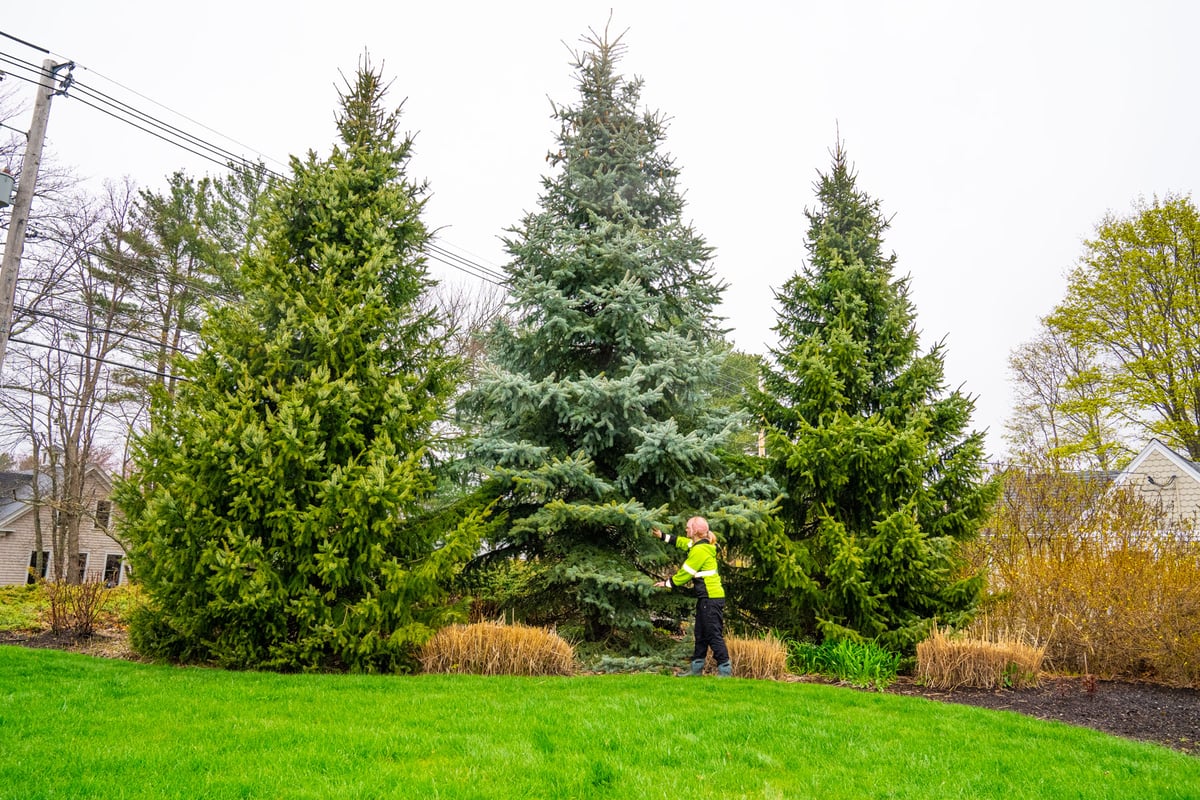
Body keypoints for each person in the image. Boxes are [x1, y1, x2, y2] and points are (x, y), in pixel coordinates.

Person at [652, 516, 732, 677]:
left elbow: (686, 572)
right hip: (706, 598)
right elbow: (682, 542)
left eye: (688, 527)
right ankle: (696, 671)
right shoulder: (697, 544)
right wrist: (663, 536)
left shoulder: (700, 550)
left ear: (695, 531)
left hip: (711, 598)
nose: (686, 529)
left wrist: (668, 583)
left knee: (712, 633)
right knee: (700, 633)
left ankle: (725, 671)